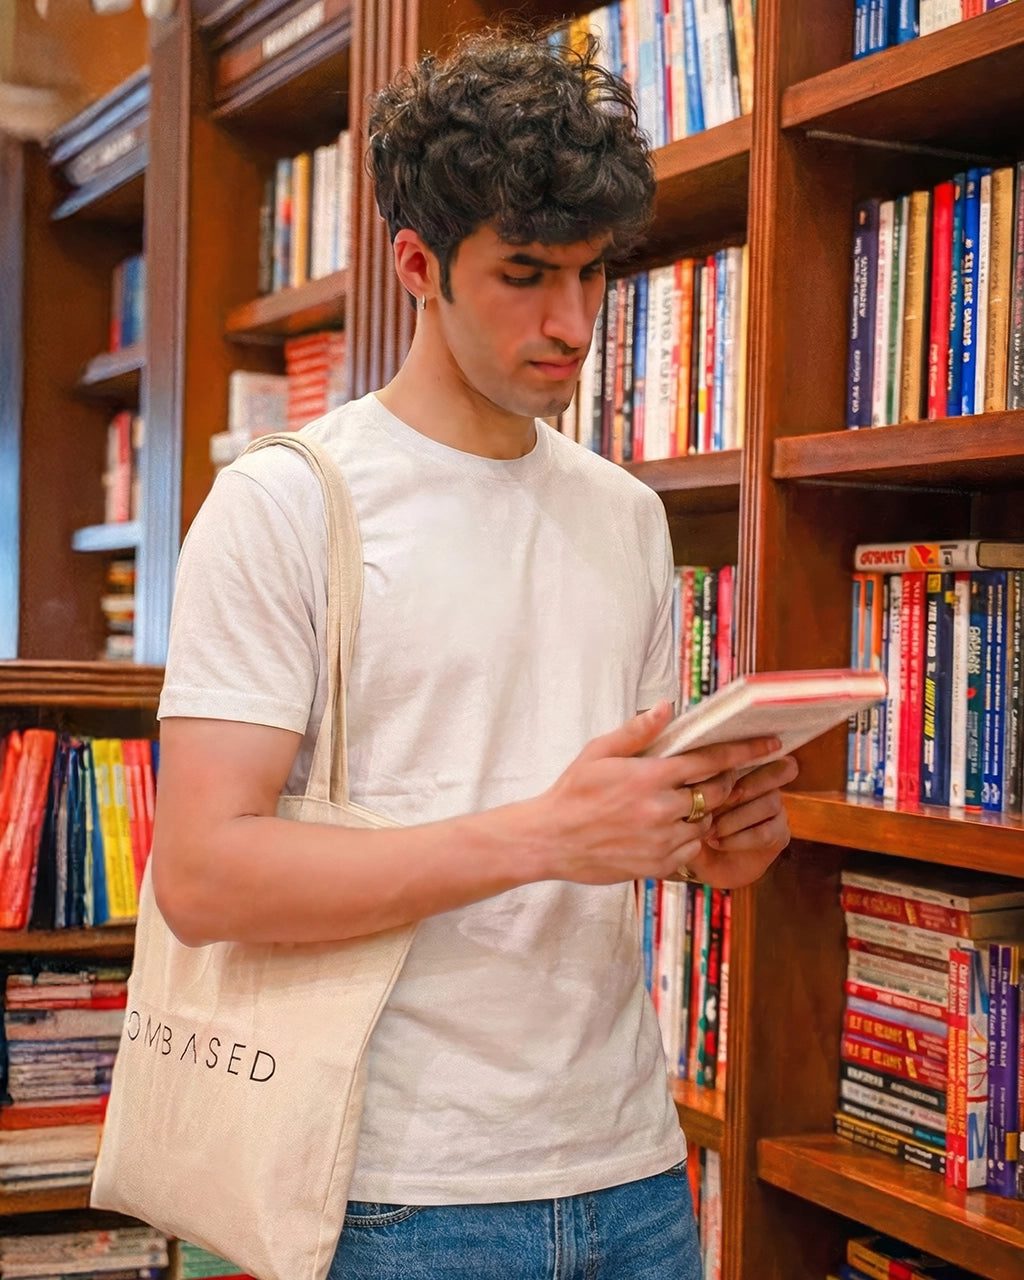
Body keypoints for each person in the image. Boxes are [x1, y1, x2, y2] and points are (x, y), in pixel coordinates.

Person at [151, 25, 797, 1280]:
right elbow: (203, 875)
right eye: (524, 274)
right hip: (394, 1189)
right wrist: (547, 833)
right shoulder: (290, 501)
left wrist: (716, 839)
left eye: (595, 276)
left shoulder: (626, 513)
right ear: (418, 264)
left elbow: (620, 826)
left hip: (633, 1165)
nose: (571, 321)